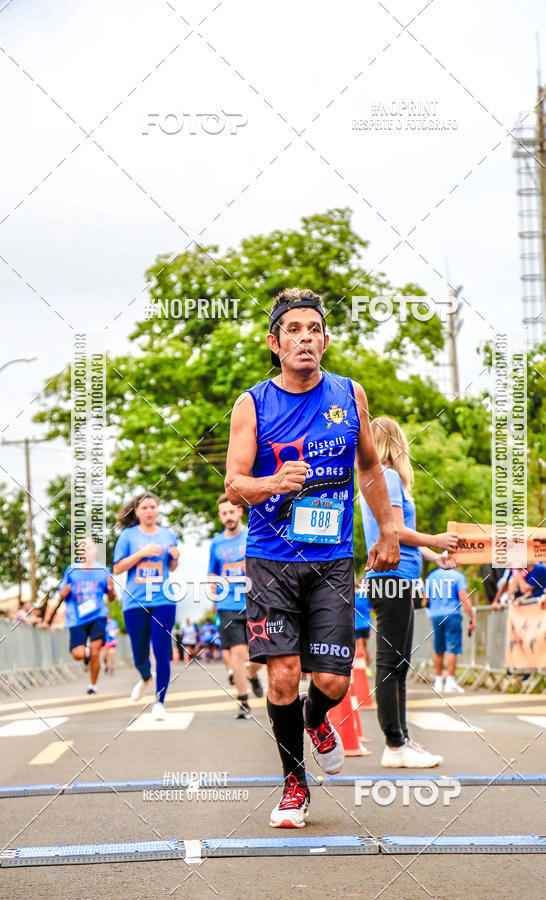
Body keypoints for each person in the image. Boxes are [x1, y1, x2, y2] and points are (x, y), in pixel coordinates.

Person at [225, 287, 400, 828]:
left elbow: (369, 467)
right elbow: (233, 484)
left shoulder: (349, 395)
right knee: (282, 674)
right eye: (293, 330)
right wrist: (272, 483)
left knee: (332, 682)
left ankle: (316, 718)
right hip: (272, 558)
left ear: (324, 339)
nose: (304, 338)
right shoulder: (252, 403)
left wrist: (389, 526)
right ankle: (294, 785)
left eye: (313, 329)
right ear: (275, 343)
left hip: (330, 561)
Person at [359, 415, 458, 768]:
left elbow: (400, 532)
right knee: (391, 663)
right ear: (395, 442)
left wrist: (434, 555)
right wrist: (435, 540)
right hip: (394, 578)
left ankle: (400, 739)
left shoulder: (375, 480)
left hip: (395, 577)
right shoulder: (388, 477)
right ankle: (395, 743)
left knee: (397, 662)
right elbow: (397, 531)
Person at [112, 492, 180, 720]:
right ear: (137, 512)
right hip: (135, 601)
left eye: (153, 507)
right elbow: (118, 568)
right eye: (144, 508)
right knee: (139, 652)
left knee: (162, 651)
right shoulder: (128, 536)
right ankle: (145, 677)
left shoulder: (168, 534)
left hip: (163, 600)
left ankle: (160, 701)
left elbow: (170, 567)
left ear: (157, 510)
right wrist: (142, 553)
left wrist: (175, 557)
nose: (149, 511)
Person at [208, 494, 264, 719]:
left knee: (260, 655)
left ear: (240, 511)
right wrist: (212, 588)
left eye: (231, 512)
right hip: (228, 603)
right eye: (224, 513)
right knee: (238, 652)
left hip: (255, 601)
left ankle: (253, 674)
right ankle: (243, 700)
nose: (228, 516)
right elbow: (212, 571)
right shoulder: (216, 542)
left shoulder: (254, 534)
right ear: (220, 516)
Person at [42, 539, 115, 695]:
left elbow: (112, 597)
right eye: (81, 548)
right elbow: (61, 593)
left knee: (96, 651)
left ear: (95, 550)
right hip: (76, 617)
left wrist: (111, 589)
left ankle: (93, 686)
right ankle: (87, 655)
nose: (85, 551)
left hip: (98, 615)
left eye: (88, 548)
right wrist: (64, 592)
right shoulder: (71, 570)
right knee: (78, 654)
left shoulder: (104, 570)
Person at [425, 564, 475, 694]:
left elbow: (426, 598)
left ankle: (438, 681)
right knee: (452, 648)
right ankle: (450, 681)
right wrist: (471, 617)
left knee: (438, 648)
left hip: (435, 615)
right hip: (452, 614)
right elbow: (463, 597)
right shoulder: (457, 576)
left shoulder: (431, 576)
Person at [354, 578, 372, 672]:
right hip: (367, 624)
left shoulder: (354, 595)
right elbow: (372, 608)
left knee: (359, 646)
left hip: (357, 624)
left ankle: (361, 668)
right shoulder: (366, 596)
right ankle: (368, 667)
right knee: (365, 646)